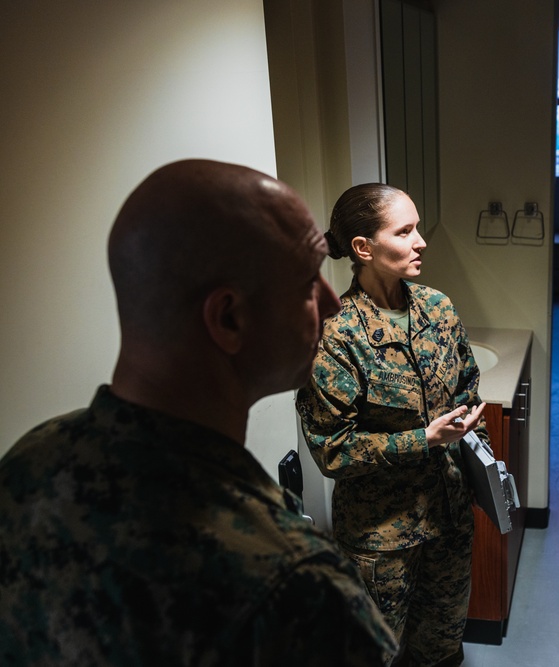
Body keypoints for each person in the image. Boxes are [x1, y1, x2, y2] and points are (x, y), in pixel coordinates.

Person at [0, 159, 397, 666]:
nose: (332, 304)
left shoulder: (27, 466)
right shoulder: (294, 588)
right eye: (306, 283)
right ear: (229, 317)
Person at [295, 183, 488, 667]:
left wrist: (474, 439)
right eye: (405, 231)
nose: (421, 241)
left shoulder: (437, 309)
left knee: (441, 651)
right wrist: (421, 439)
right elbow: (331, 449)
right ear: (364, 248)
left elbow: (467, 385)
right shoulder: (338, 336)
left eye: (417, 227)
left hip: (448, 520)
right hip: (381, 543)